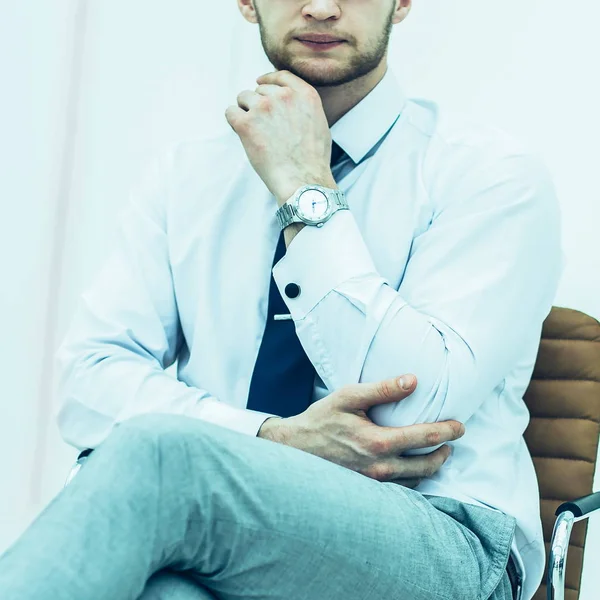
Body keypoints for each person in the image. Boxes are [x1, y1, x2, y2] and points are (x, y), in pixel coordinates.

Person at [0, 1, 564, 599]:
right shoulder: (186, 176)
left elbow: (413, 413)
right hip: (228, 537)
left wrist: (304, 186)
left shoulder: (490, 174)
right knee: (162, 591)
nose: (321, 6)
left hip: (444, 541)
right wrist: (269, 437)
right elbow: (90, 383)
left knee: (160, 456)